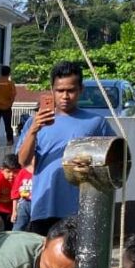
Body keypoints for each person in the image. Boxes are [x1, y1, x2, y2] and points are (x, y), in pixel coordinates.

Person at [17, 61, 115, 236]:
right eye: (60, 90)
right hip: (43, 206)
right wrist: (33, 130)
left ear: (81, 89)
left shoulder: (96, 123)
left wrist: (91, 163)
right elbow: (23, 161)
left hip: (80, 208)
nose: (65, 96)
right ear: (52, 90)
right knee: (43, 253)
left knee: (75, 254)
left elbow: (115, 160)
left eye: (71, 90)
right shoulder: (35, 122)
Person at [0, 65, 17, 147]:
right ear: (9, 73)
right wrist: (10, 103)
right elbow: (13, 95)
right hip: (7, 107)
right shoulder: (10, 84)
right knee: (8, 124)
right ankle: (9, 141)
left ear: (1, 73)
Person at [12, 162, 34, 232]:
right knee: (18, 229)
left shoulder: (42, 172)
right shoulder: (23, 172)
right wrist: (14, 211)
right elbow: (15, 192)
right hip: (24, 203)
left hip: (37, 205)